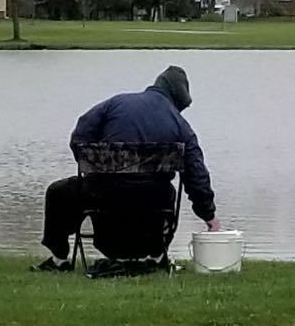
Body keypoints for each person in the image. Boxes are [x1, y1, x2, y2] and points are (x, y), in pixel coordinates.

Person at [33, 65, 219, 270]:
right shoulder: (181, 126)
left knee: (58, 191)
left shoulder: (116, 103)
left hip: (102, 197)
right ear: (178, 98)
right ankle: (157, 256)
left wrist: (93, 166)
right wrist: (209, 216)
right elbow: (197, 176)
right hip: (152, 202)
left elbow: (80, 137)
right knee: (168, 193)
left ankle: (59, 259)